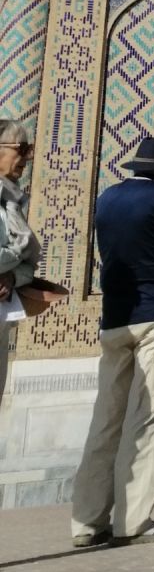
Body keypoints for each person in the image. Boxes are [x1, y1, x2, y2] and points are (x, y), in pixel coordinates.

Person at [70, 137, 154, 548]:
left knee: (106, 421)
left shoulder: (106, 198)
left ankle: (86, 521)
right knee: (148, 417)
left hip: (114, 320)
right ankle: (134, 521)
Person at [0, 120, 37, 410]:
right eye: (21, 148)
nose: (26, 157)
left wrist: (12, 277)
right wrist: (18, 252)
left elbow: (31, 262)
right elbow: (25, 251)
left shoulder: (12, 203)